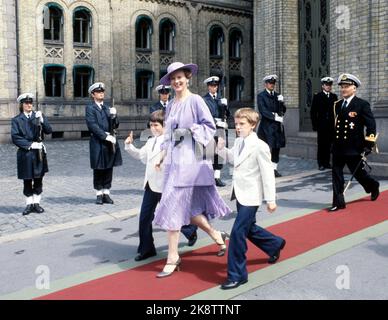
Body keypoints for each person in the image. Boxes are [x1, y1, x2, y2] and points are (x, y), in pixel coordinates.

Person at [153, 62, 232, 278]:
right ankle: (217, 235)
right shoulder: (169, 105)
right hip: (174, 163)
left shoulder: (196, 100)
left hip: (192, 162)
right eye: (173, 79)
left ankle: (172, 257)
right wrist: (161, 155)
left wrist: (189, 131)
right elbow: (168, 135)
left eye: (180, 77)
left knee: (172, 206)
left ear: (188, 78)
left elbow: (209, 127)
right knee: (190, 210)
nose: (177, 81)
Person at [217, 108, 286, 290]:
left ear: (253, 125)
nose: (238, 128)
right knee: (248, 229)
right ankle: (275, 244)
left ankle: (237, 275)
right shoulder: (239, 141)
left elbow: (268, 175)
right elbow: (234, 159)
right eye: (236, 124)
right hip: (240, 193)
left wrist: (271, 199)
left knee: (238, 233)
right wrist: (221, 149)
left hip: (252, 197)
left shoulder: (260, 146)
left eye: (242, 124)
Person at [124, 110, 198, 261]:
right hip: (150, 185)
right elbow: (140, 155)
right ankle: (147, 249)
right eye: (151, 125)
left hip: (166, 186)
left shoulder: (171, 141)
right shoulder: (151, 141)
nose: (153, 128)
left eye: (156, 125)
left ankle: (190, 230)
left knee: (172, 215)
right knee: (145, 217)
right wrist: (129, 146)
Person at [329, 74, 380, 212]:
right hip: (338, 147)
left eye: (347, 87)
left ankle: (373, 186)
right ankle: (338, 202)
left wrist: (369, 144)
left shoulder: (362, 104)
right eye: (342, 87)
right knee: (336, 174)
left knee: (358, 173)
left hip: (354, 147)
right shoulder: (337, 105)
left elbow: (371, 125)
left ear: (354, 88)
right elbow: (334, 126)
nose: (343, 89)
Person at [11, 93, 53, 215]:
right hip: (25, 154)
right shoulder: (17, 120)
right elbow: (15, 137)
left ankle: (37, 203)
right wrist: (30, 145)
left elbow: (49, 131)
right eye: (26, 103)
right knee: (27, 179)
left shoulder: (38, 116)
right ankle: (29, 204)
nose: (29, 105)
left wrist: (43, 120)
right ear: (22, 105)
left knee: (39, 179)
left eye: (31, 103)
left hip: (39, 153)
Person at [85, 82, 122, 205]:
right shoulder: (90, 108)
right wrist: (106, 136)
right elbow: (92, 126)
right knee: (99, 168)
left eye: (102, 92)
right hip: (98, 141)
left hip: (109, 142)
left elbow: (115, 125)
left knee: (108, 168)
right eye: (98, 92)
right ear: (93, 94)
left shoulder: (107, 108)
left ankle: (106, 193)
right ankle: (99, 194)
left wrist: (114, 115)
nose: (101, 94)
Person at [257, 75, 286, 177]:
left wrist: (282, 102)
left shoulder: (277, 95)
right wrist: (274, 117)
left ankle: (274, 169)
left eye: (273, 83)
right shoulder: (261, 96)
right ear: (266, 84)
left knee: (276, 148)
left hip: (276, 127)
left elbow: (282, 110)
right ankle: (264, 169)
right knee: (265, 149)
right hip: (266, 126)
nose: (272, 85)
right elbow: (263, 110)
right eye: (270, 83)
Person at [203, 76, 230, 187]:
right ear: (208, 87)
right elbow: (205, 115)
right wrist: (216, 123)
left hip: (221, 130)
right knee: (210, 153)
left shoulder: (221, 99)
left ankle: (217, 177)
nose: (214, 88)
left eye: (215, 86)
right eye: (212, 86)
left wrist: (225, 106)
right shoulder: (204, 100)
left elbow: (227, 115)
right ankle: (208, 177)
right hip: (210, 130)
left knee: (220, 153)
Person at [310, 77, 338, 170]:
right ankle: (320, 163)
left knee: (329, 144)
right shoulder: (317, 96)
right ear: (323, 86)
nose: (328, 87)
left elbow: (336, 112)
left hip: (331, 125)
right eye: (326, 85)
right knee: (322, 145)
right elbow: (313, 112)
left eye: (330, 85)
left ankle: (327, 163)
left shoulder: (334, 97)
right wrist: (315, 125)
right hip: (321, 125)